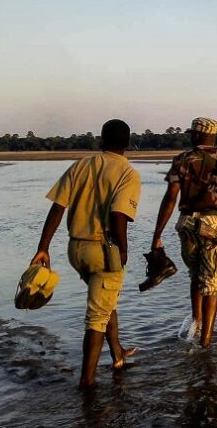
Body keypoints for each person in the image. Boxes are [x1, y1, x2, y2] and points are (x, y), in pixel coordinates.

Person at [29, 119, 140, 390]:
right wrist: (123, 250)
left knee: (104, 300)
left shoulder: (81, 165)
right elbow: (118, 215)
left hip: (75, 249)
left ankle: (117, 353)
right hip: (103, 249)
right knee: (97, 316)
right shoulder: (128, 173)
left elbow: (58, 207)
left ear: (101, 139)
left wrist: (43, 247)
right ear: (127, 144)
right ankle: (87, 383)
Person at [151, 117, 217, 348]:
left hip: (187, 224)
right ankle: (205, 343)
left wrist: (157, 235)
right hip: (214, 224)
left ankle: (197, 324)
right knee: (212, 284)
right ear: (213, 136)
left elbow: (170, 198)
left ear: (196, 135)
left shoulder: (183, 159)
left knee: (196, 276)